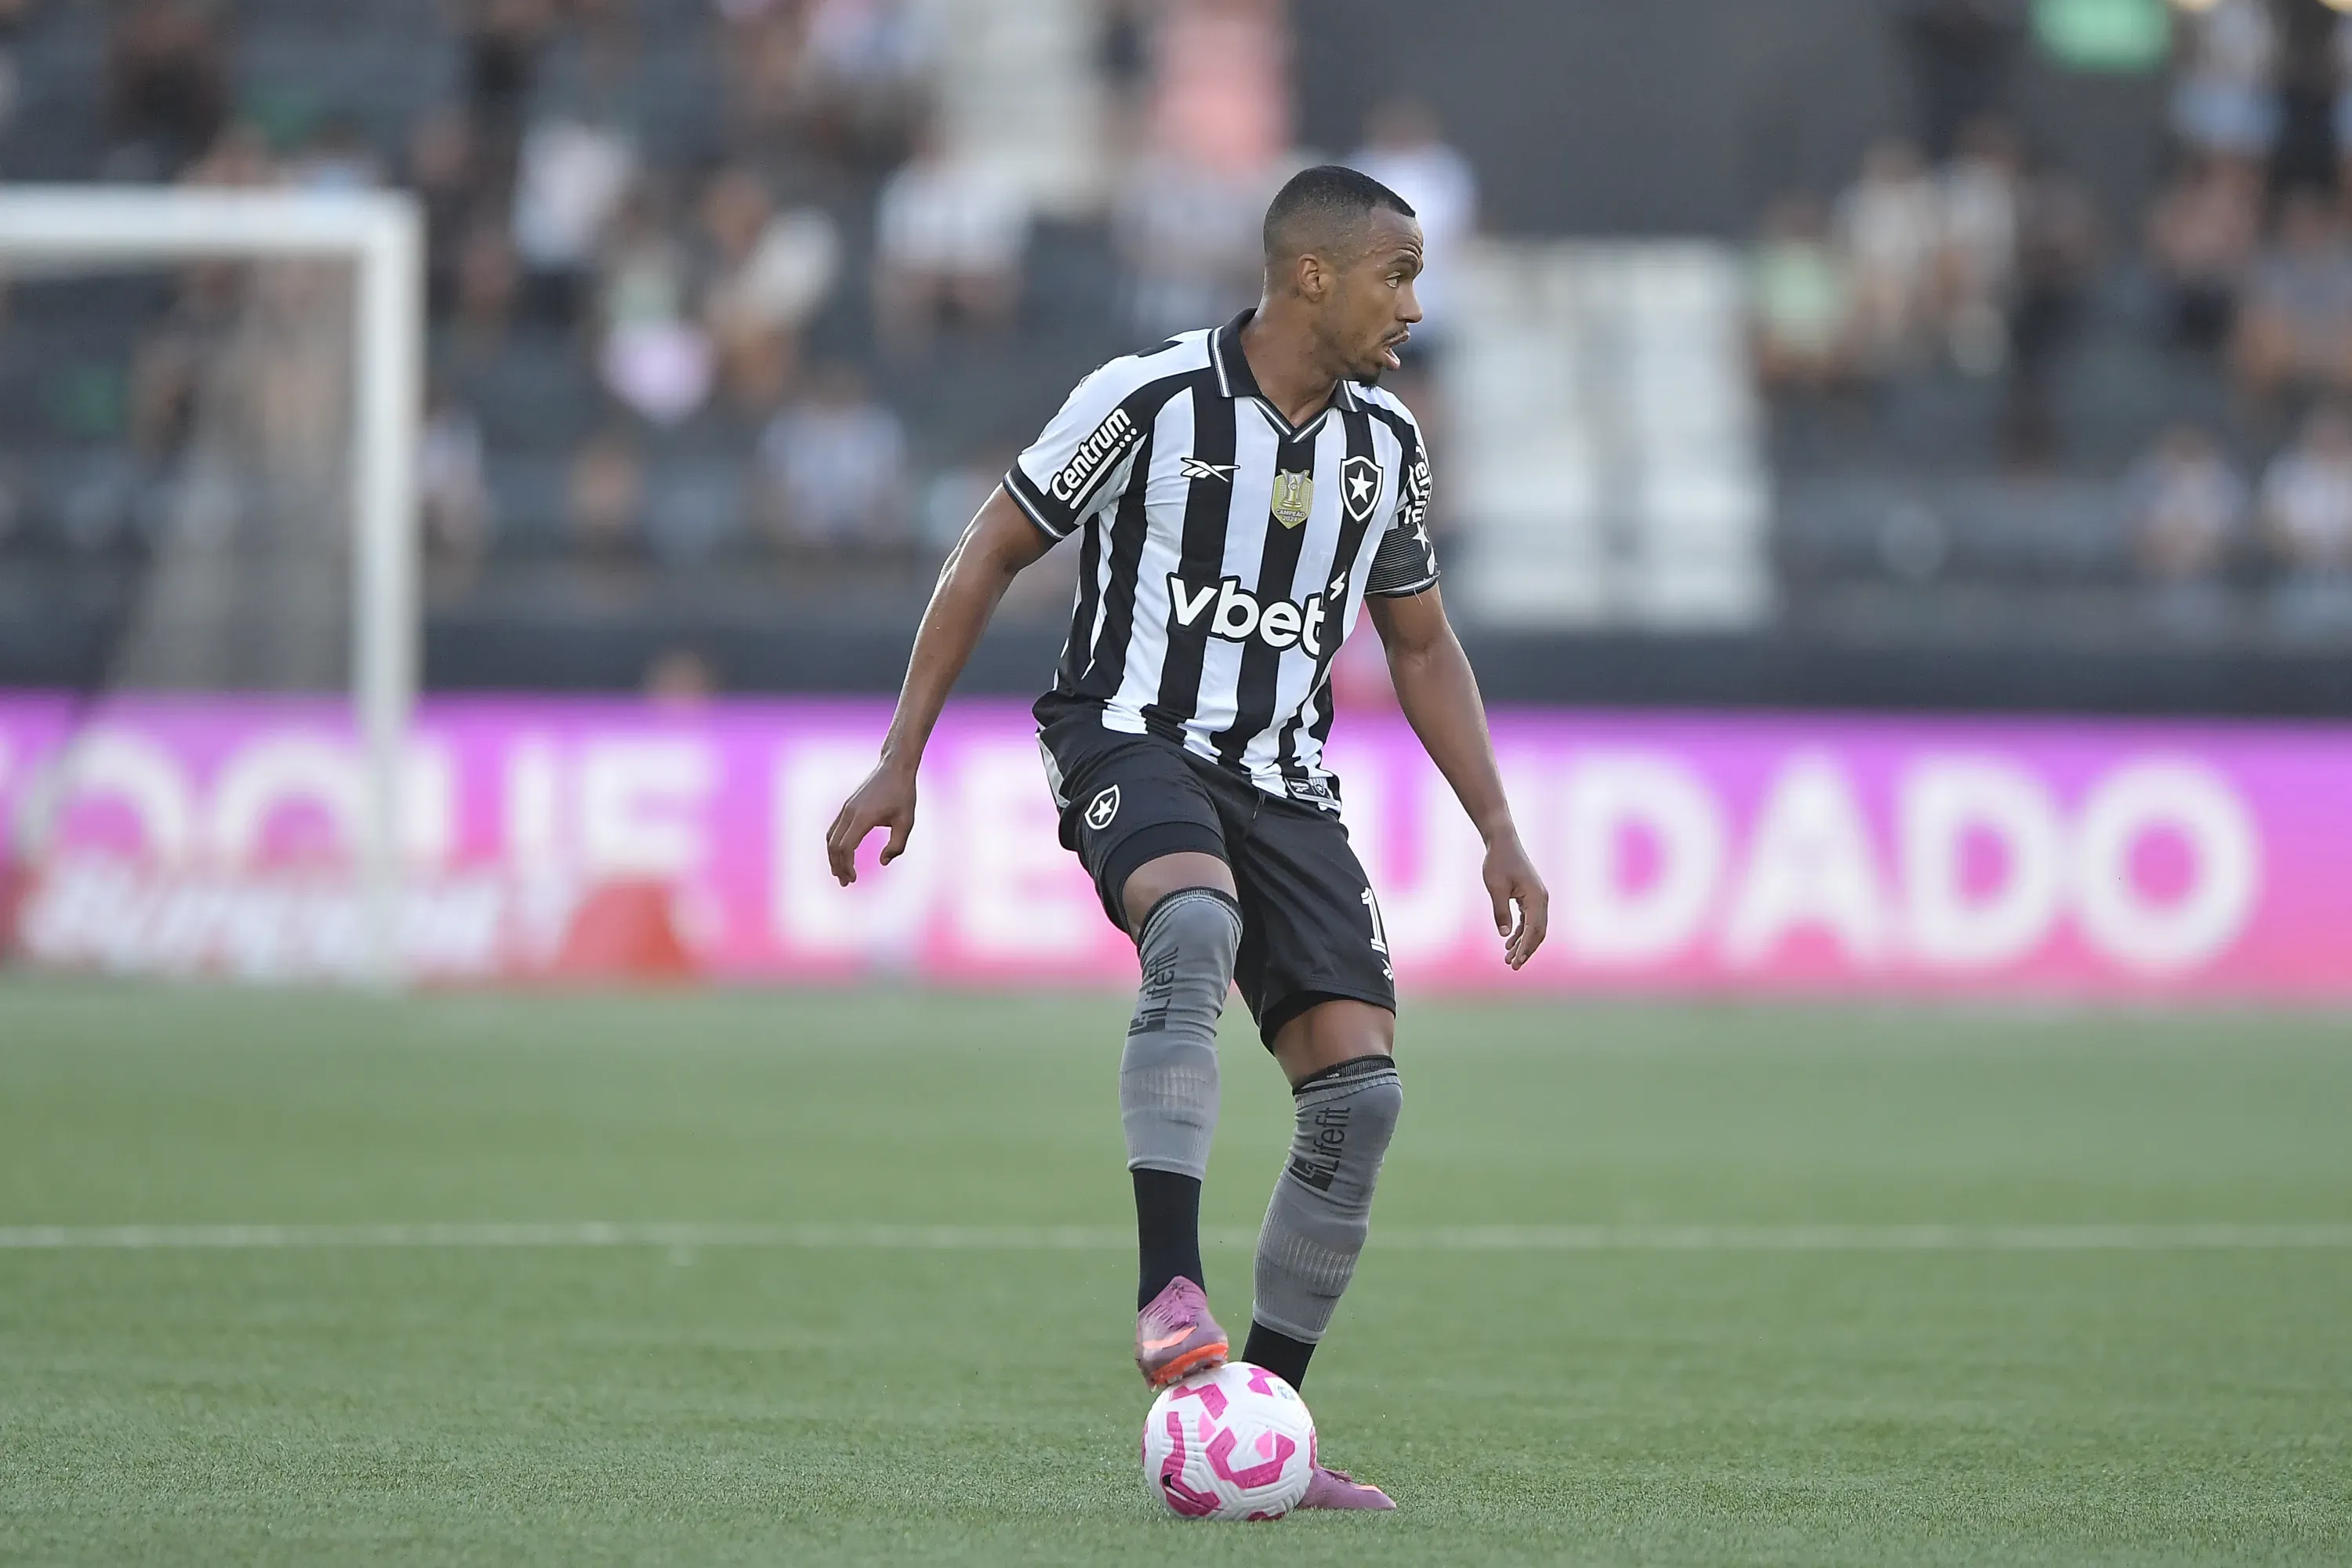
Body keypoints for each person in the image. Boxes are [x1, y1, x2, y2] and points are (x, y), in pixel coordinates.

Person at [824, 165, 1549, 1512]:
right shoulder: (1149, 398)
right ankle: (1169, 1285)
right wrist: (899, 756)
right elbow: (989, 550)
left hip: (1285, 779)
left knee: (1361, 1100)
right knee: (1195, 923)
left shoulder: (1387, 444)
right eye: (1397, 275)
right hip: (1129, 734)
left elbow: (1421, 643)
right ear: (1313, 275)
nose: (1415, 305)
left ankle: (1263, 1423)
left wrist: (1499, 827)